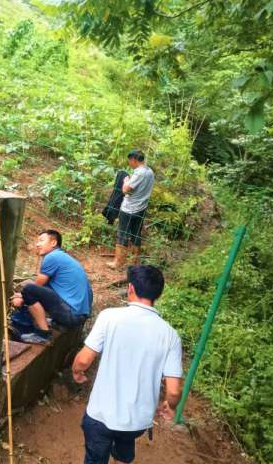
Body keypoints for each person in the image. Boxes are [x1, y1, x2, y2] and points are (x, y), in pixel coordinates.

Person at [72, 265, 183, 464]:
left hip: (101, 415)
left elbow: (83, 360)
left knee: (95, 457)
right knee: (124, 448)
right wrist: (170, 406)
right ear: (158, 294)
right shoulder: (170, 335)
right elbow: (174, 392)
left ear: (130, 288)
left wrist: (77, 372)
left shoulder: (109, 317)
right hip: (137, 421)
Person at [9, 229, 93, 345]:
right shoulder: (64, 258)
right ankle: (52, 323)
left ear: (53, 243)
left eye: (41, 240)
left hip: (71, 315)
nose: (37, 244)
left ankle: (43, 335)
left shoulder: (52, 257)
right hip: (79, 316)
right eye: (37, 241)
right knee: (31, 291)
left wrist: (22, 297)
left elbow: (36, 286)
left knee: (29, 289)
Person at [107, 150, 155, 278]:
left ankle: (118, 262)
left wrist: (126, 181)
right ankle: (134, 262)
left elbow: (126, 190)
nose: (130, 164)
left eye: (130, 161)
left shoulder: (139, 173)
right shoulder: (150, 172)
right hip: (142, 208)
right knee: (136, 234)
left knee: (122, 234)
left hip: (128, 209)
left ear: (134, 159)